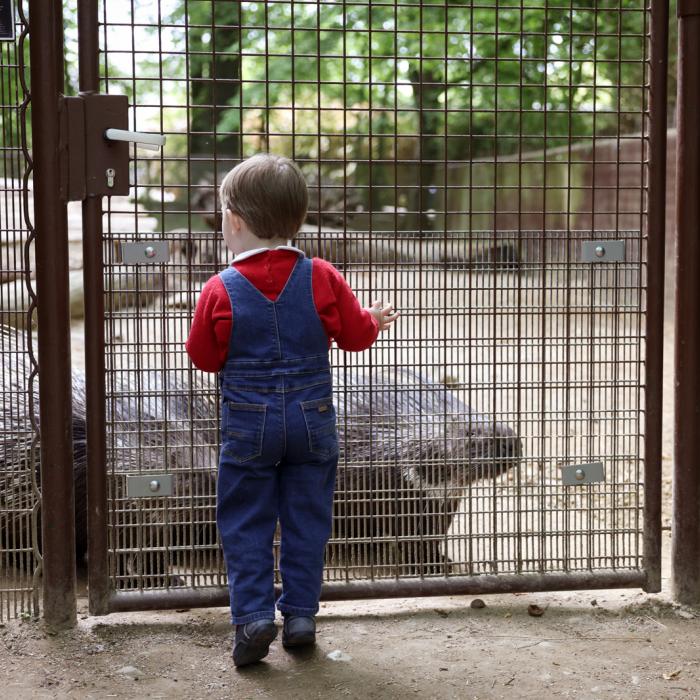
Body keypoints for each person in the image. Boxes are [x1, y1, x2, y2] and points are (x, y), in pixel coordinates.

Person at [185, 154, 399, 667]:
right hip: (312, 421)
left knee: (245, 521)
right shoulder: (322, 275)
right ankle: (301, 615)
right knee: (307, 517)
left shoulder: (220, 288)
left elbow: (203, 357)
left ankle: (254, 617)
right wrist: (371, 319)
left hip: (249, 426)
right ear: (298, 219)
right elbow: (353, 337)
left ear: (233, 221)